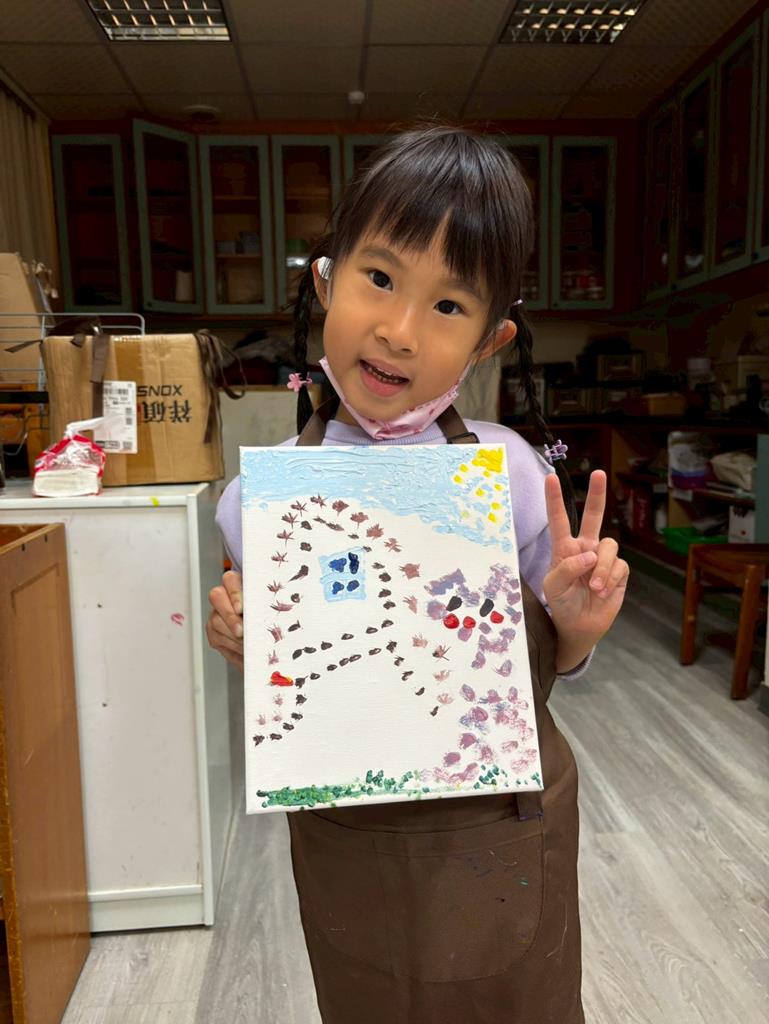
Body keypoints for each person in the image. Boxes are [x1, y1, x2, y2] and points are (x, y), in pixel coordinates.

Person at [207, 125, 629, 1023]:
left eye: (446, 305)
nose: (398, 330)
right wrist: (246, 642)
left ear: (487, 340)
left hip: (502, 823)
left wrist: (577, 627)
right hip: (347, 834)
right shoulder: (258, 501)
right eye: (379, 278)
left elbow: (551, 668)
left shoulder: (513, 477)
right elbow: (298, 681)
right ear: (327, 281)